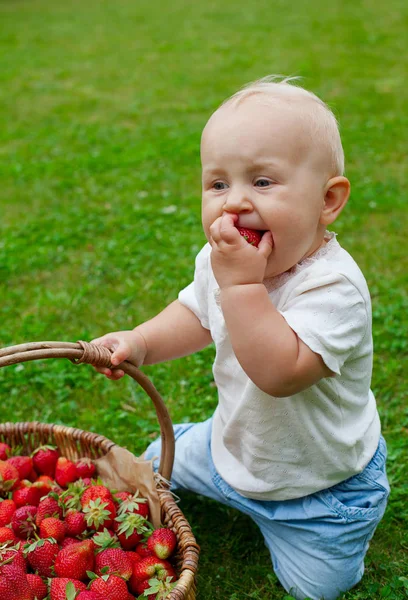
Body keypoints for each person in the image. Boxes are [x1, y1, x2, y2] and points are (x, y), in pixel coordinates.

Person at [91, 76, 390, 600]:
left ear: (328, 200)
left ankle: (328, 526)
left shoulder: (333, 288)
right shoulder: (223, 262)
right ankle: (195, 446)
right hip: (235, 447)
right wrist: (140, 341)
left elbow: (279, 373)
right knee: (156, 461)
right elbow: (197, 314)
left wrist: (242, 285)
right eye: (218, 184)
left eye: (263, 182)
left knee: (316, 589)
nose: (234, 204)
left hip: (318, 484)